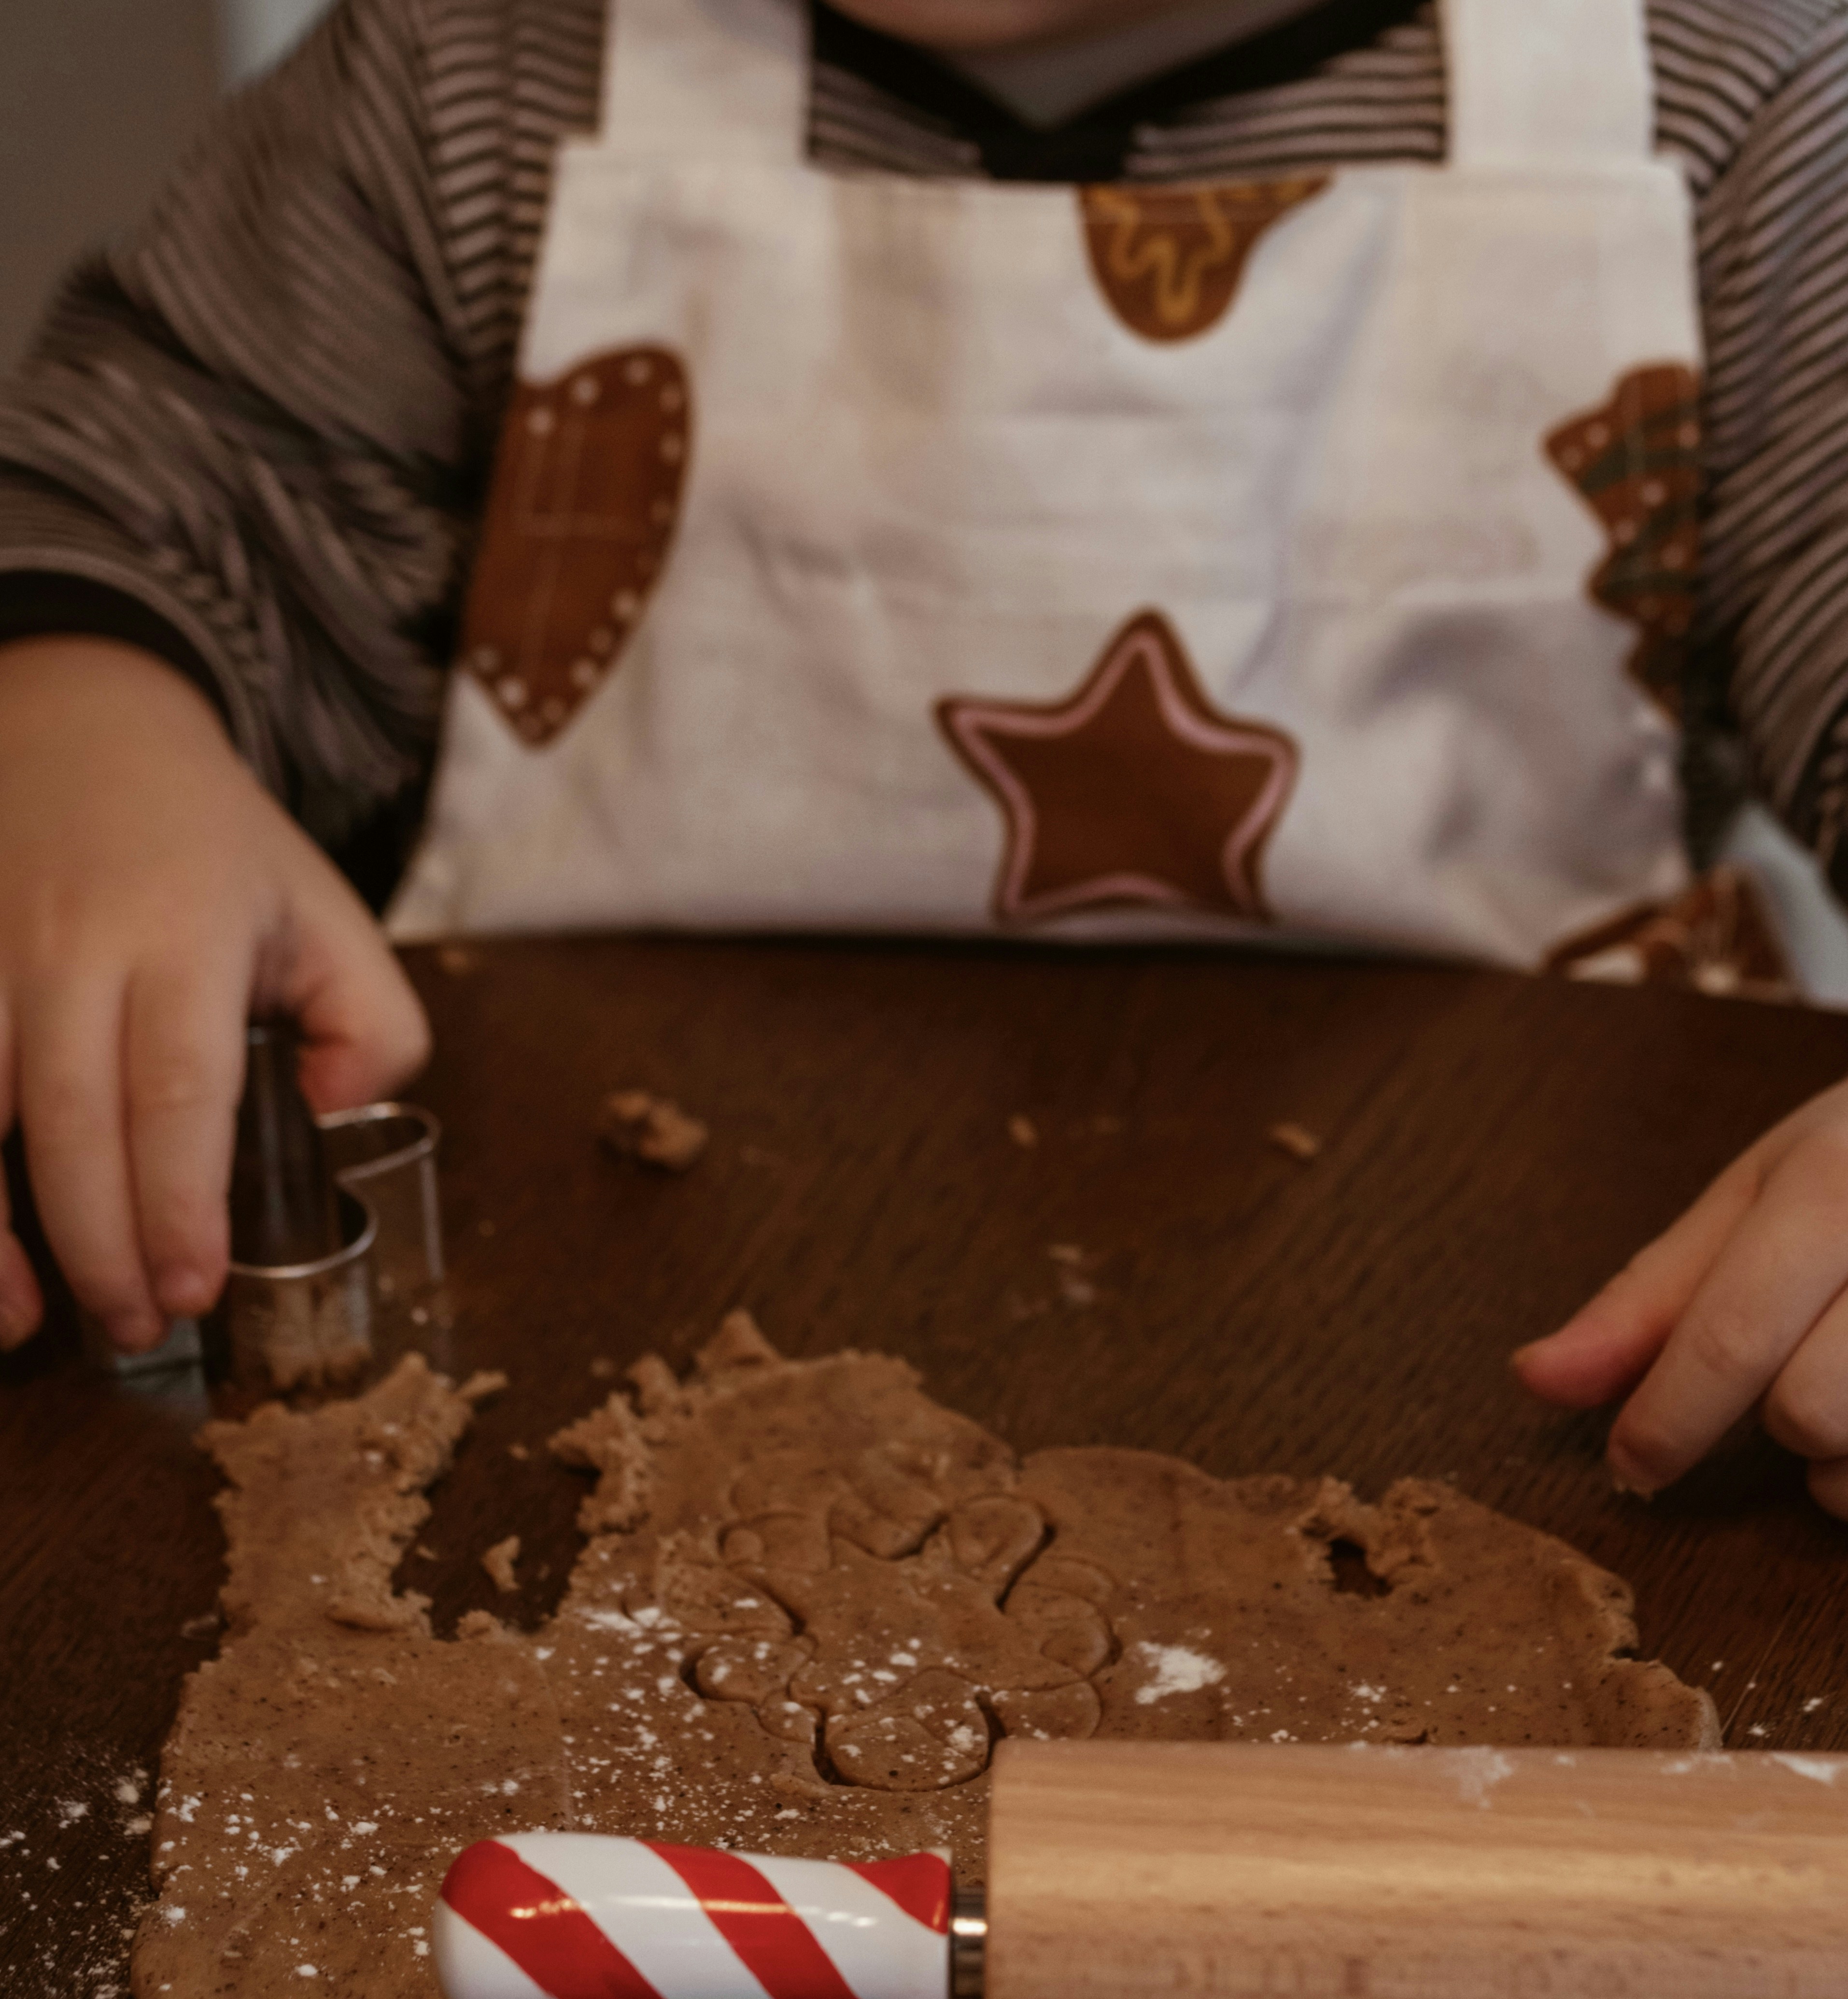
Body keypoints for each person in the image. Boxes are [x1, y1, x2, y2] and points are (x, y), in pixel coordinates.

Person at [2, 0, 1848, 1514]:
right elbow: (142, 500)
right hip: (548, 1414)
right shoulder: (468, 81)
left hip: (1523, 1405)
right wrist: (82, 720)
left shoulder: (1718, 112)